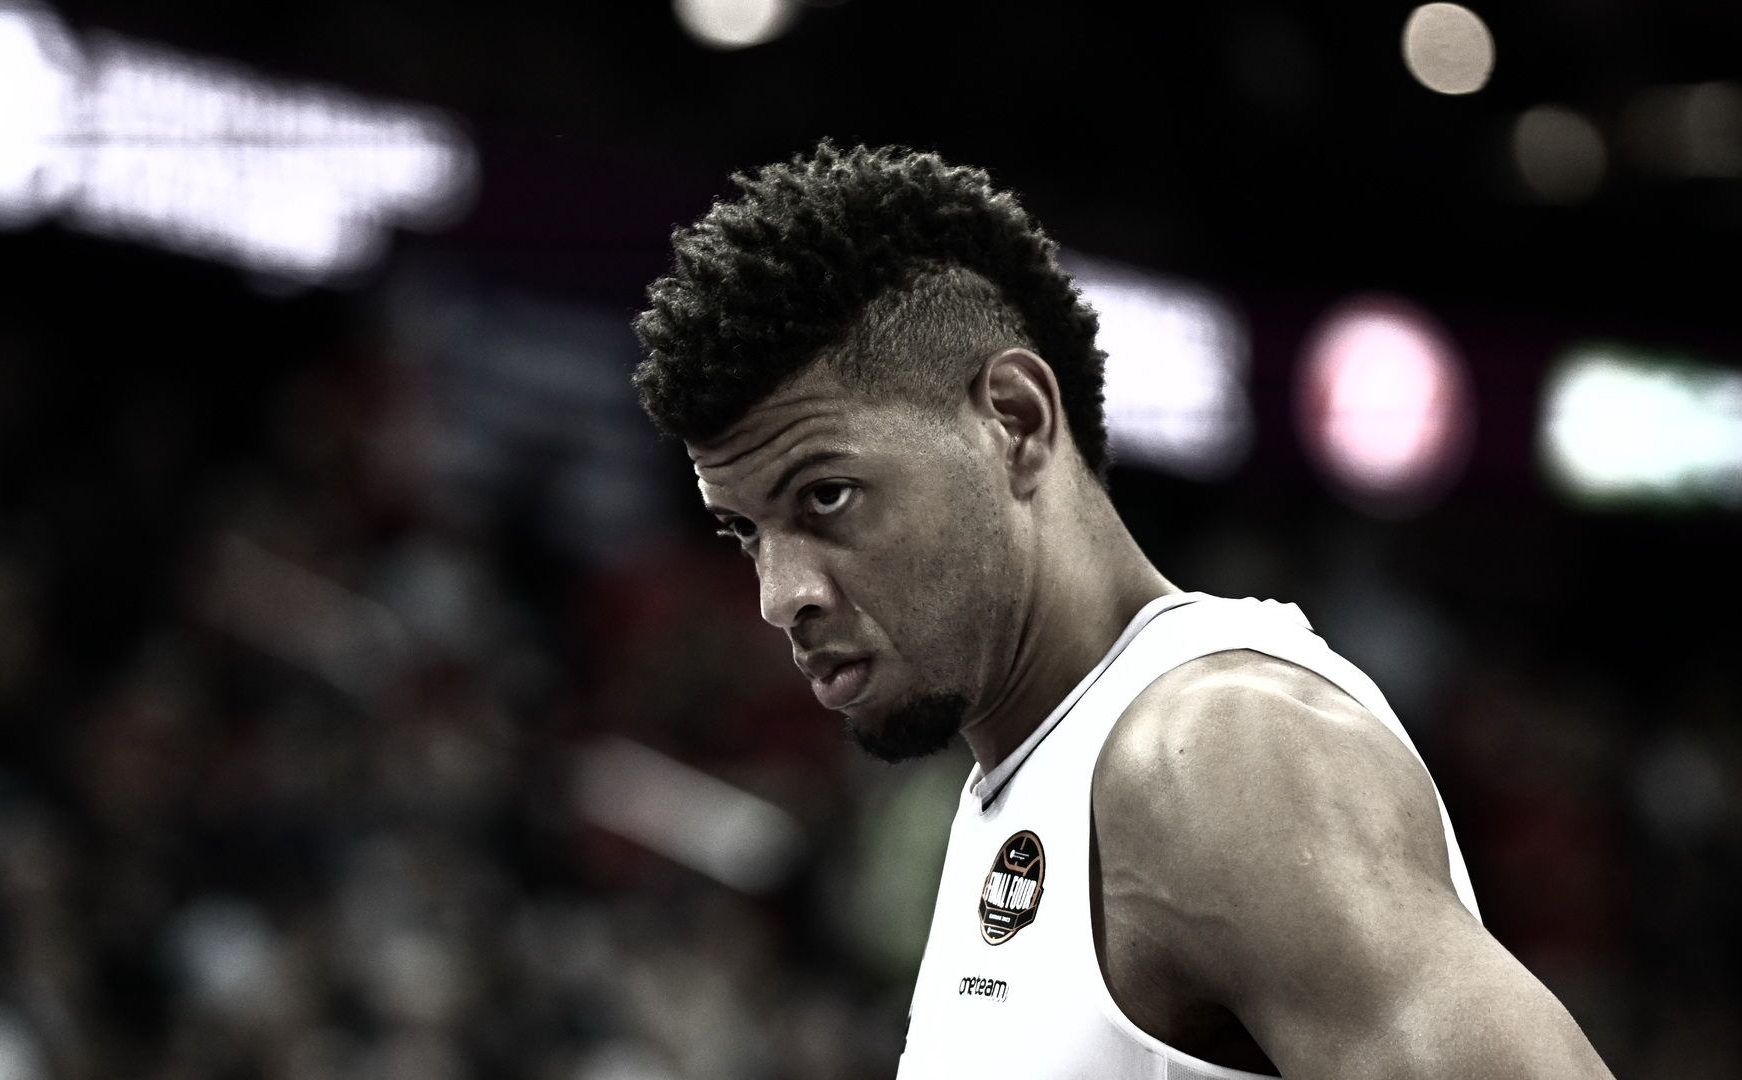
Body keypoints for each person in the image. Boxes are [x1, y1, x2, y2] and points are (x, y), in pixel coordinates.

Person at [629, 140, 1615, 1079]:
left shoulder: (1218, 754)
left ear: (1015, 421)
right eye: (746, 531)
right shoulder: (1042, 770)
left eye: (827, 497)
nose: (780, 595)